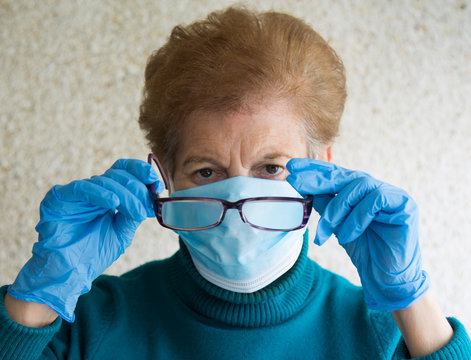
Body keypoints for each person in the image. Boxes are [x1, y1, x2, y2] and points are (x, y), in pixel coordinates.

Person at [1, 6, 470, 360]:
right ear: (165, 175)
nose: (240, 198)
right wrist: (37, 297)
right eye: (207, 172)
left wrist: (411, 301)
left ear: (324, 165)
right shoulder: (87, 328)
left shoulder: (387, 339)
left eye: (271, 168)